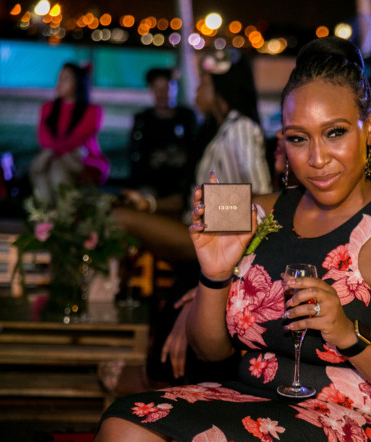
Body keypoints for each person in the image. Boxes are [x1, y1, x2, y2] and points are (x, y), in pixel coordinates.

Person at [95, 36, 371, 441]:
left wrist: (348, 334)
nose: (317, 159)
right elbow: (209, 351)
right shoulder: (247, 207)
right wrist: (212, 277)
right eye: (298, 138)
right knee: (123, 423)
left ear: (370, 127)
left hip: (365, 420)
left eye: (335, 133)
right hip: (255, 398)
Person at [101, 48, 272, 395]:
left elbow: (261, 197)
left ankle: (109, 298)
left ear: (219, 88)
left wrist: (211, 214)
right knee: (120, 211)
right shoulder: (216, 129)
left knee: (119, 219)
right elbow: (190, 196)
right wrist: (151, 203)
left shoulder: (241, 128)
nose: (195, 90)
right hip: (200, 226)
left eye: (202, 82)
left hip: (220, 237)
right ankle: (128, 315)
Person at [124, 68, 199, 218]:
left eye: (166, 89)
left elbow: (195, 149)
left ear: (174, 89)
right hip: (152, 184)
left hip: (181, 184)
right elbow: (136, 157)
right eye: (157, 89)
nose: (161, 94)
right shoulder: (143, 120)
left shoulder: (186, 117)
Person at [29, 62, 109, 204]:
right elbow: (44, 139)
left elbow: (77, 139)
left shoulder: (93, 111)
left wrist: (54, 150)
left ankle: (60, 213)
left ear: (78, 83)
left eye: (65, 79)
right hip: (53, 157)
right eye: (59, 79)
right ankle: (49, 212)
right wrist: (55, 151)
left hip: (82, 160)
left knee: (55, 168)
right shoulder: (48, 108)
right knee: (49, 168)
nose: (59, 84)